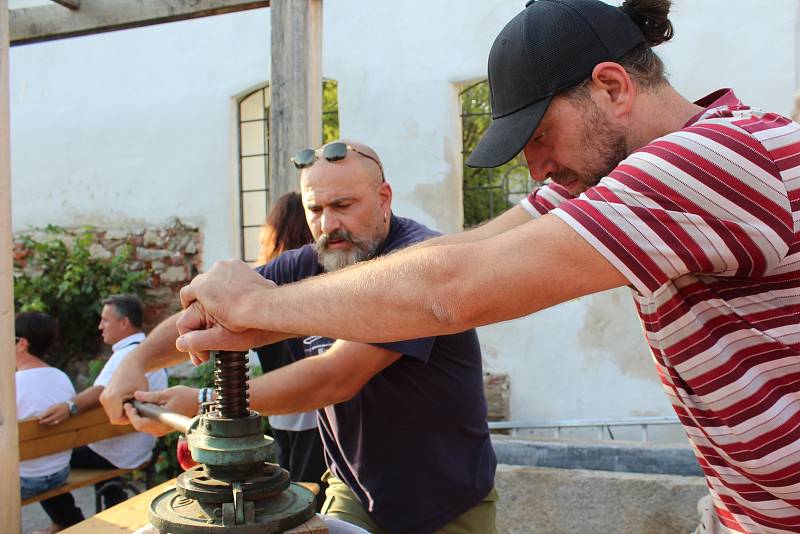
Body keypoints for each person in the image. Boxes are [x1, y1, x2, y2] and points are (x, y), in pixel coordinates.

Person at [166, 1, 800, 533]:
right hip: (742, 512)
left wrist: (256, 304)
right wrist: (264, 320)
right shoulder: (617, 177)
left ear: (611, 88)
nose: (537, 168)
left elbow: (451, 291)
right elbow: (457, 252)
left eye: (540, 137)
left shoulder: (715, 160)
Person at [102, 140, 497, 534]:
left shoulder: (415, 262)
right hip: (356, 489)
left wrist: (205, 403)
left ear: (383, 198)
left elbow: (336, 376)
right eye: (316, 210)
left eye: (343, 206)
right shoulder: (310, 262)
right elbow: (213, 307)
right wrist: (134, 362)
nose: (328, 225)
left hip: (445, 499)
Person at [37, 294, 168, 528]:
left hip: (124, 451)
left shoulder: (127, 355)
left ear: (124, 323)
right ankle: (113, 504)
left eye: (105, 320)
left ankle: (69, 522)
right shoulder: (144, 349)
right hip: (141, 444)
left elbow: (101, 390)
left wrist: (69, 407)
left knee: (44, 462)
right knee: (88, 444)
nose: (100, 326)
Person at [255, 191, 327, 509]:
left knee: (288, 498)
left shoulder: (262, 286)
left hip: (278, 408)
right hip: (314, 411)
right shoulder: (312, 280)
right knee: (311, 501)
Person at [15, 312, 76, 534]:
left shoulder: (10, 385)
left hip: (22, 482)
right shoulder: (61, 377)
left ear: (21, 344)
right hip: (59, 472)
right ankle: (67, 520)